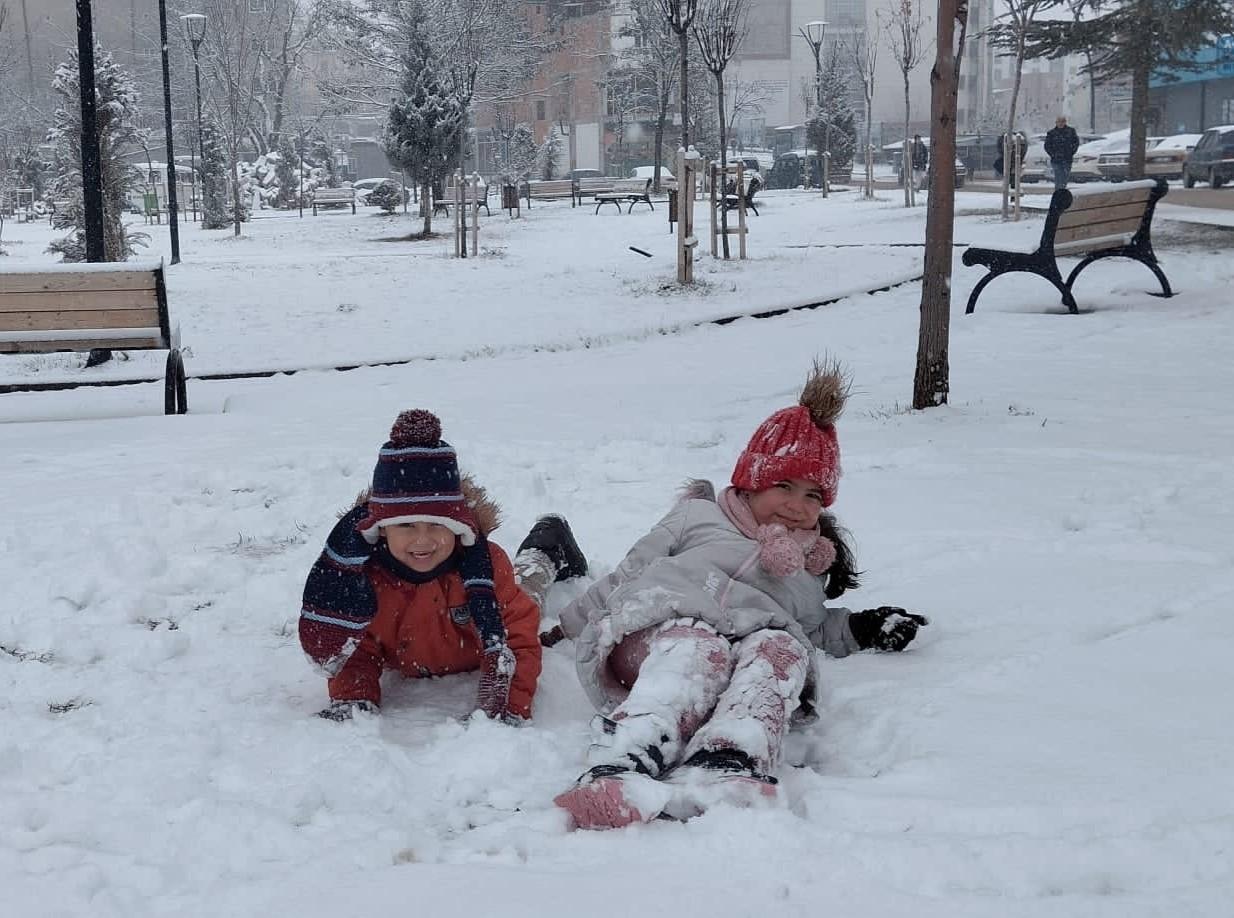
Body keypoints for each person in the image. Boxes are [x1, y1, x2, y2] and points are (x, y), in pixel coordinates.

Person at [543, 362, 929, 830]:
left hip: (737, 656)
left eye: (813, 496)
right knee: (696, 644)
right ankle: (623, 761)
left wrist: (860, 627)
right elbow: (630, 572)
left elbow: (812, 626)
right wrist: (568, 624)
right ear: (750, 481)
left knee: (783, 648)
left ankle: (731, 760)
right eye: (783, 486)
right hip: (654, 634)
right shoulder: (698, 518)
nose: (796, 504)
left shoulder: (803, 572)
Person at [297, 408, 587, 724]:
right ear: (382, 529)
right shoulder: (364, 578)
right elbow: (358, 650)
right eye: (406, 526)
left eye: (437, 526)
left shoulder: (485, 567)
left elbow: (517, 639)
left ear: (458, 527)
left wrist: (509, 706)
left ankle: (547, 545)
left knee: (527, 592)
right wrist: (354, 699)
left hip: (491, 601)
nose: (423, 541)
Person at [1044, 115, 1080, 191]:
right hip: (1056, 160)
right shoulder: (1051, 133)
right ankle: (1058, 193)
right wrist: (1053, 154)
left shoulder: (1071, 131)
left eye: (1062, 121)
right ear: (1056, 123)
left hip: (1067, 159)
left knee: (1065, 177)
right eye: (1059, 122)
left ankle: (1062, 191)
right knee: (1058, 177)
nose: (1060, 123)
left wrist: (1071, 152)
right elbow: (1047, 146)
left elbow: (1076, 143)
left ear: (1065, 122)